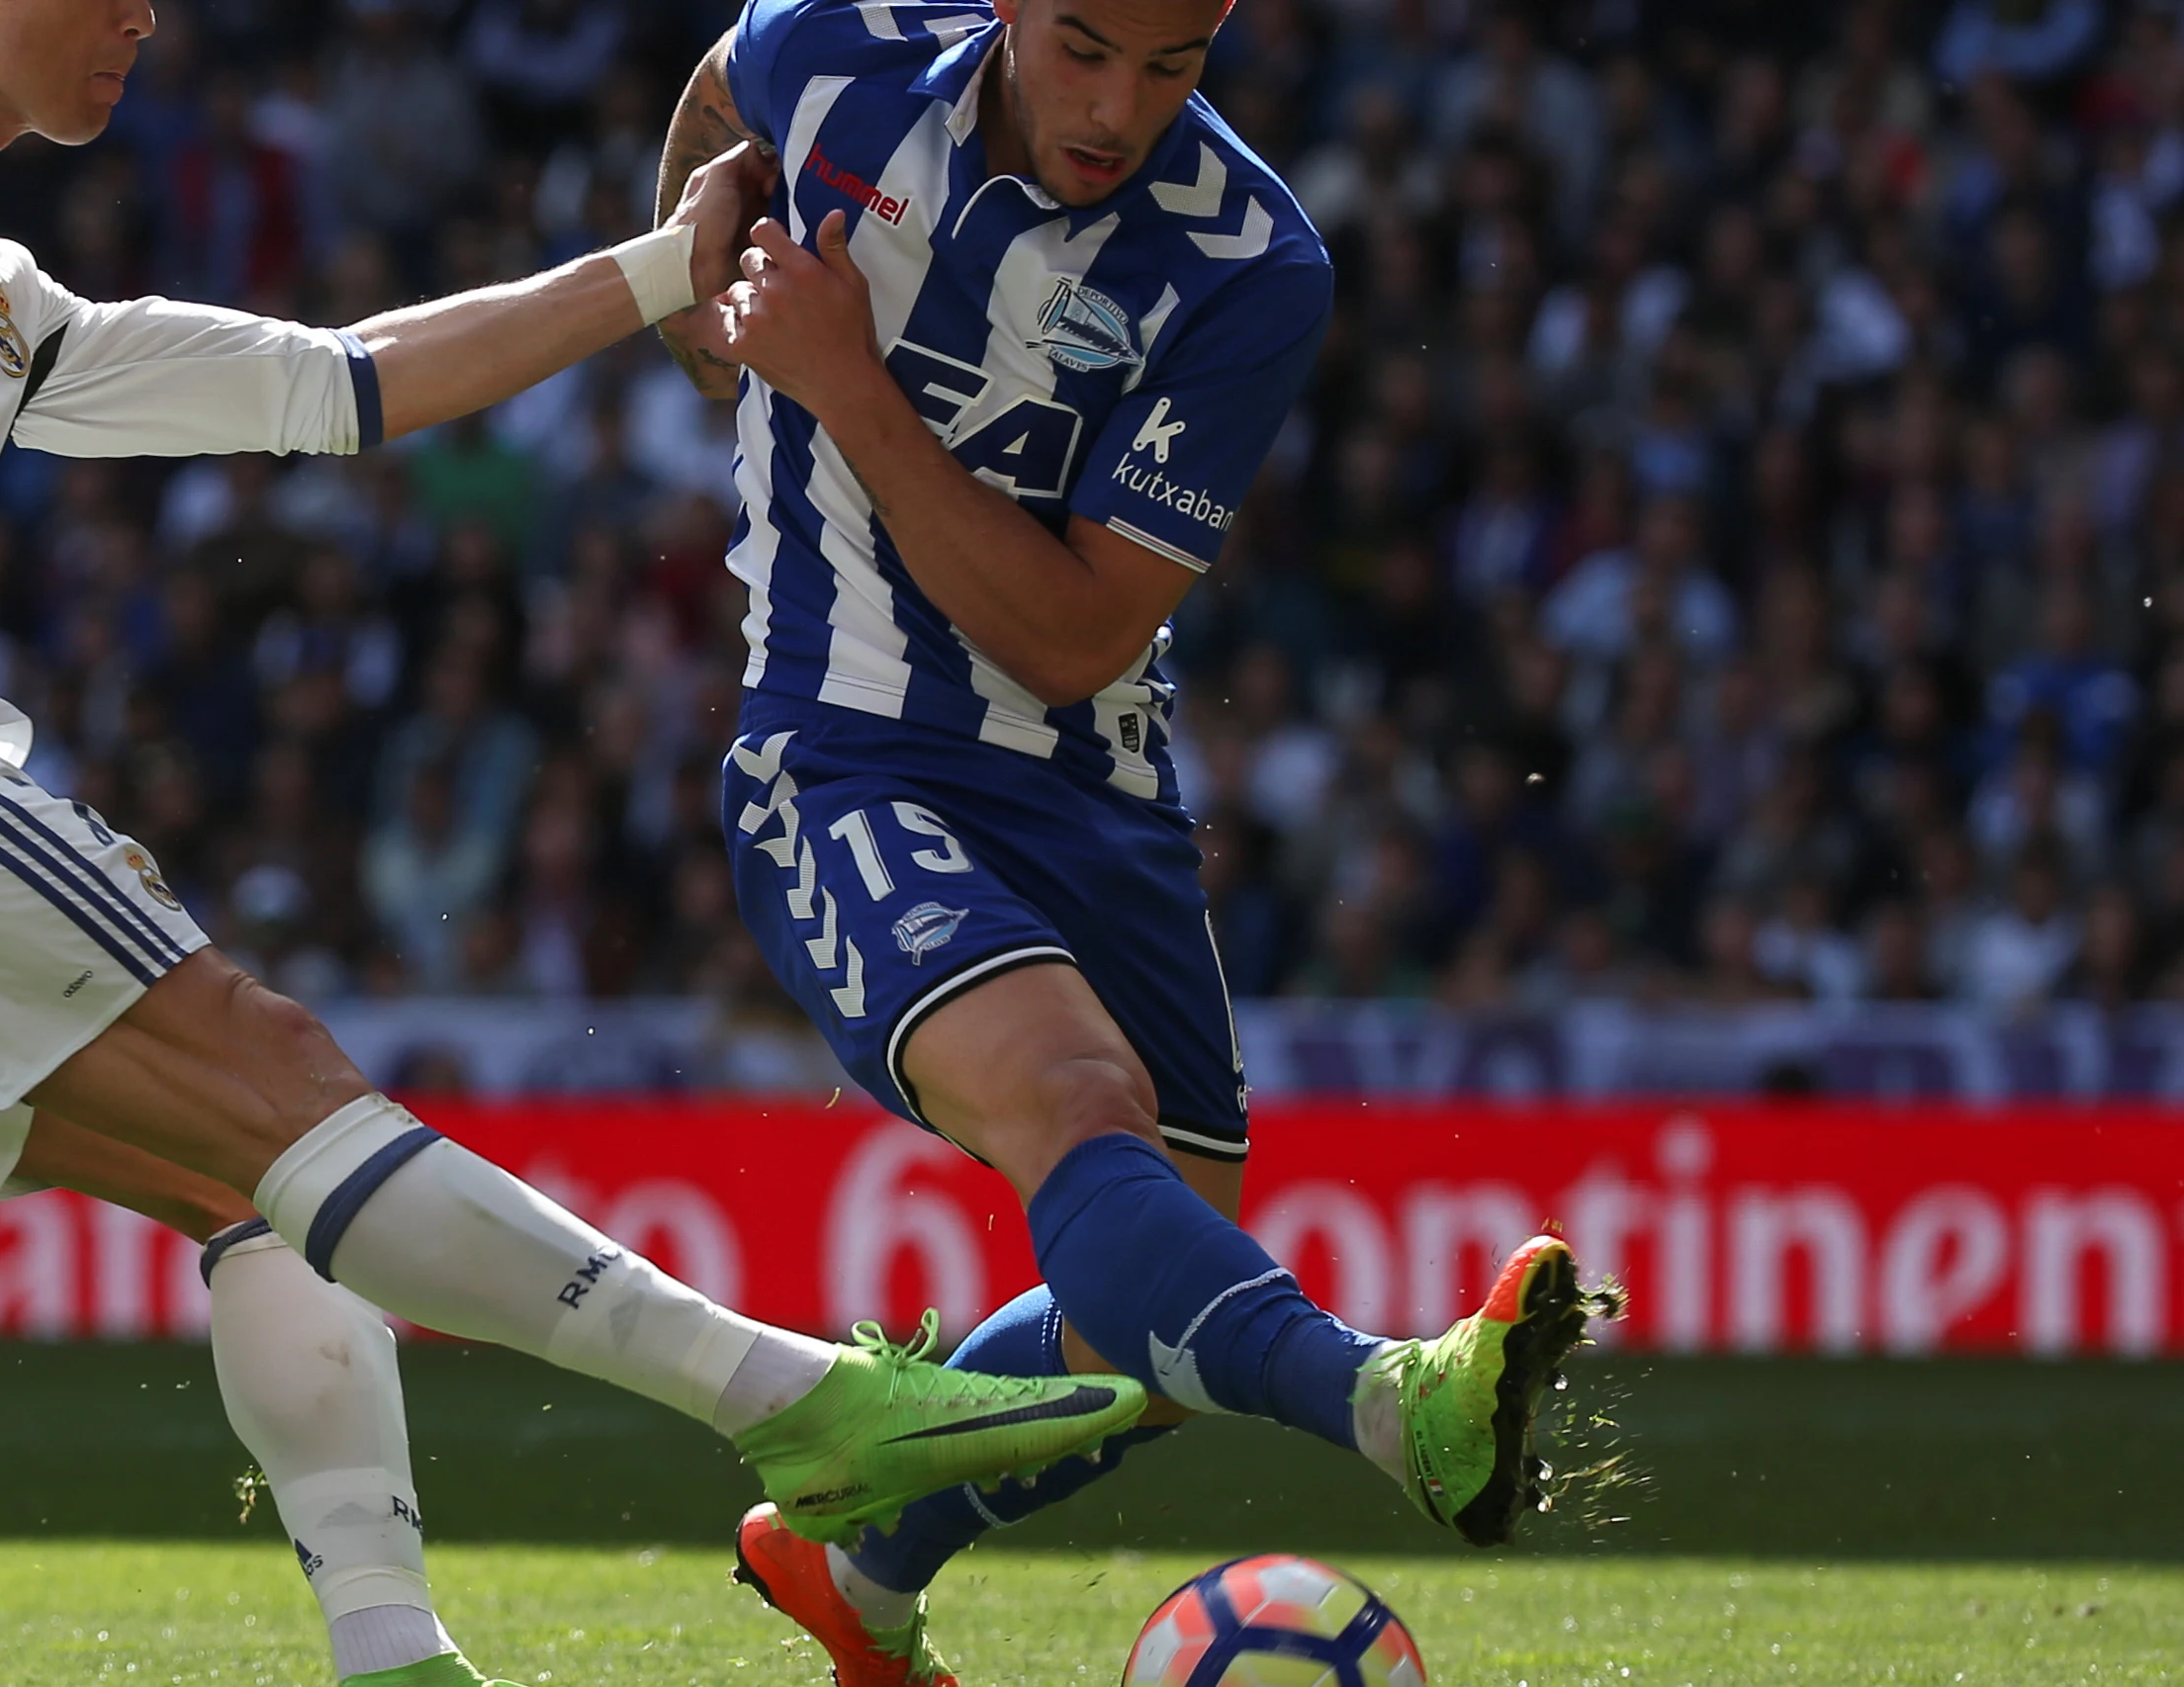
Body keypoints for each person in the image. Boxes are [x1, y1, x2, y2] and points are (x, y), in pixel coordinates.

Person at [0, 6, 1155, 1687]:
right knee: (279, 1069)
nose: (144, 22)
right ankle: (801, 1402)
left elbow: (335, 382)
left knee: (245, 1188)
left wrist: (664, 269)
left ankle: (394, 1648)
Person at [650, 3, 1607, 1682]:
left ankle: (849, 1575)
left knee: (1151, 1313)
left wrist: (841, 381)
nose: (1118, 107)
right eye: (1085, 47)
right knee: (1086, 1121)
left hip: (1098, 787)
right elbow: (726, 80)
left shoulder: (1253, 267)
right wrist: (696, 277)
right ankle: (1396, 1402)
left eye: (1172, 66)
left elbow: (1073, 636)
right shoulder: (849, 46)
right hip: (847, 744)